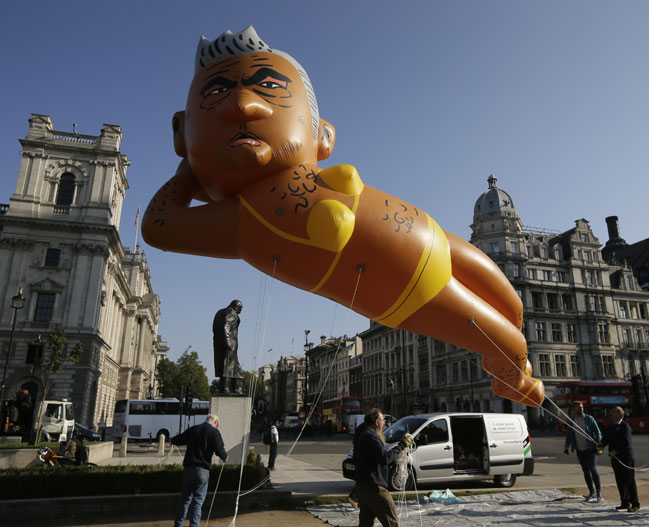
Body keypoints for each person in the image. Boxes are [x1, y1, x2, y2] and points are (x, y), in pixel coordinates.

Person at [141, 25, 545, 410]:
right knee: (509, 344)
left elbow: (162, 223)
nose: (242, 105)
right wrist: (190, 172)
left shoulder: (247, 218)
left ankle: (508, 369)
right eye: (217, 93)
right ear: (181, 132)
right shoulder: (244, 221)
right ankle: (512, 375)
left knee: (512, 304)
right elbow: (159, 226)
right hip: (411, 287)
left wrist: (189, 171)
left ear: (324, 136)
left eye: (269, 86)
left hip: (432, 233)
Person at [354, 408, 412, 527]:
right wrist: (402, 445)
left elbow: (378, 456)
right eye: (383, 420)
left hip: (364, 487)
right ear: (376, 422)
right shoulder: (371, 436)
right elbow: (385, 458)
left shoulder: (365, 434)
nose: (384, 423)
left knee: (366, 523)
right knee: (391, 523)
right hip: (374, 488)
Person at [171, 414, 228, 527]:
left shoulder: (194, 429)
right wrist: (225, 457)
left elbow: (178, 439)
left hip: (188, 469)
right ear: (215, 422)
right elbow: (219, 449)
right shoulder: (214, 432)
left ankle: (178, 525)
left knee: (185, 500)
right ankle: (194, 525)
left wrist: (172, 440)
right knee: (197, 502)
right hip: (202, 470)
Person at [600, 406, 640, 512]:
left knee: (629, 479)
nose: (611, 414)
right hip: (615, 458)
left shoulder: (625, 426)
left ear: (620, 415)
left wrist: (615, 451)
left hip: (626, 456)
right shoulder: (611, 427)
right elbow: (605, 439)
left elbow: (626, 442)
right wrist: (600, 446)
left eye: (613, 413)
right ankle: (624, 502)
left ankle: (635, 503)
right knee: (619, 479)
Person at [564, 401, 603, 502]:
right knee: (585, 471)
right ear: (574, 409)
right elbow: (569, 435)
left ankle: (599, 492)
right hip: (579, 450)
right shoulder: (571, 421)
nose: (581, 409)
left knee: (592, 469)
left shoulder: (589, 418)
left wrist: (598, 444)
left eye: (582, 407)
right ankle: (592, 492)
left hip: (590, 449)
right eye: (578, 408)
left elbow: (598, 432)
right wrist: (566, 446)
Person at [212, 299, 244, 394]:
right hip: (228, 345)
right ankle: (233, 390)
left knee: (227, 368)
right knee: (229, 369)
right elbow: (225, 327)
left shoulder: (220, 312)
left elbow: (214, 328)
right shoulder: (231, 313)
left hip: (219, 344)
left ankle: (227, 389)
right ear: (236, 307)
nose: (241, 311)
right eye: (240, 308)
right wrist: (228, 343)